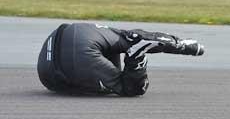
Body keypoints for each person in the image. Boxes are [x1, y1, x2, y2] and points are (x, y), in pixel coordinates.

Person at [37, 23, 204, 96]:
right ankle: (177, 43)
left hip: (50, 63)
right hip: (77, 40)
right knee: (130, 88)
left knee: (130, 39)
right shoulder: (96, 62)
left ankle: (179, 44)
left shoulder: (96, 61)